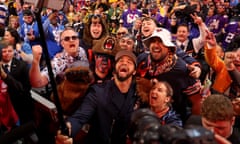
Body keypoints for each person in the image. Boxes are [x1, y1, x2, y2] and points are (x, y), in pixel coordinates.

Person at [55, 50, 138, 144]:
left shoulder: (138, 95)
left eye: (129, 62)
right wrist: (67, 131)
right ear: (115, 68)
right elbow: (79, 117)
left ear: (134, 71)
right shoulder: (98, 91)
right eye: (121, 61)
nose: (124, 63)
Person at [138, 27, 202, 122]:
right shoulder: (142, 59)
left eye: (160, 42)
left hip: (173, 122)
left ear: (169, 48)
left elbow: (197, 101)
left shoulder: (181, 69)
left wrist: (193, 125)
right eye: (153, 41)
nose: (156, 45)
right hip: (144, 117)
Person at [0, 40, 34, 125]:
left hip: (21, 104)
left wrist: (5, 76)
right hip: (4, 107)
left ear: (14, 51)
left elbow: (25, 88)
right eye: (4, 51)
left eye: (10, 51)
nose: (7, 53)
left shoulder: (22, 65)